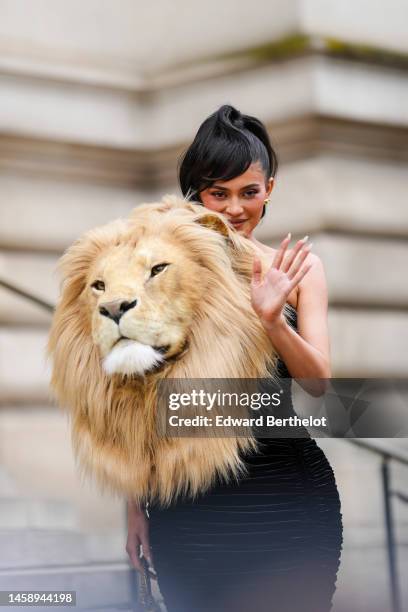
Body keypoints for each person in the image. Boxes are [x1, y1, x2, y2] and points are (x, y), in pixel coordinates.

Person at [126, 104, 343, 612]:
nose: (234, 208)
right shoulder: (158, 272)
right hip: (187, 512)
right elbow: (136, 401)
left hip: (289, 504)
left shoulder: (300, 271)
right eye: (217, 193)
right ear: (196, 193)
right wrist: (133, 510)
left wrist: (272, 320)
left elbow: (319, 386)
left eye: (249, 191)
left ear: (270, 188)